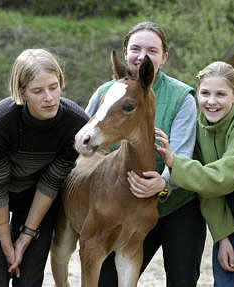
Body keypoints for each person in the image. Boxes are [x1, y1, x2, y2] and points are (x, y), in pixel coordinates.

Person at [85, 21, 207, 286]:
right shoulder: (106, 93)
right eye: (135, 49)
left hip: (177, 207)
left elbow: (182, 154)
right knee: (110, 281)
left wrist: (163, 182)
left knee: (182, 280)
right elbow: (85, 141)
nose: (142, 56)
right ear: (125, 52)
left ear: (163, 57)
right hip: (126, 207)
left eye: (152, 50)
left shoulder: (182, 97)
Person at [146, 61, 234, 286]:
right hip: (223, 206)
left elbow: (222, 176)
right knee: (226, 279)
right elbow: (204, 187)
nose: (211, 101)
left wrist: (174, 163)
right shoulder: (198, 125)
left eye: (221, 94)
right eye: (205, 93)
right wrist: (223, 235)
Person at [0, 48, 89, 286]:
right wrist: (8, 246)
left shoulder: (76, 123)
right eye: (38, 91)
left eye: (53, 86)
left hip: (36, 189)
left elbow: (51, 182)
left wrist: (24, 238)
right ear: (21, 91)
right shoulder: (0, 122)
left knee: (28, 278)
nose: (49, 97)